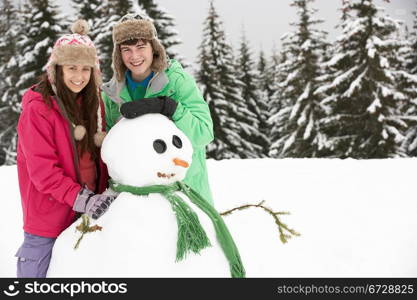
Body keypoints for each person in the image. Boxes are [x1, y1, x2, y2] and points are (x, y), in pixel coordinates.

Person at [15, 20, 115, 278]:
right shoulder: (38, 108)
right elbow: (42, 171)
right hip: (50, 217)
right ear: (57, 69)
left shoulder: (94, 104)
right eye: (72, 68)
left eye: (85, 69)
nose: (79, 76)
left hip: (91, 212)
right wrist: (81, 198)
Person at [102, 14, 215, 204]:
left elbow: (204, 133)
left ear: (153, 48)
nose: (134, 56)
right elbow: (108, 149)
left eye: (141, 47)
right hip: (138, 201)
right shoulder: (111, 94)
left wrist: (171, 109)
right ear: (118, 55)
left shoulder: (177, 82)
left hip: (185, 194)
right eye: (126, 49)